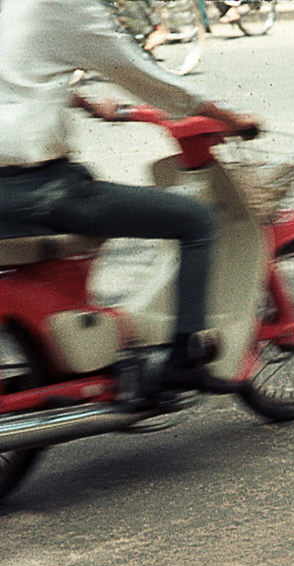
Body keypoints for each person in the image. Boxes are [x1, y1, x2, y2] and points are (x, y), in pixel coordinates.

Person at [0, 0, 259, 391]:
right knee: (197, 220)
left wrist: (85, 102)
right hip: (41, 188)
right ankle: (184, 360)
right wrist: (226, 115)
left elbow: (19, 74)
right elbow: (137, 71)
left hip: (10, 190)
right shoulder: (66, 5)